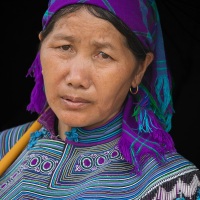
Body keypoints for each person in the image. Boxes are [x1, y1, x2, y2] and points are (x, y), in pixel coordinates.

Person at [0, 0, 199, 199]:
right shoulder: (5, 145)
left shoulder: (171, 186)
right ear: (42, 45)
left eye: (103, 55)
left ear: (139, 69)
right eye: (65, 47)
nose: (77, 78)